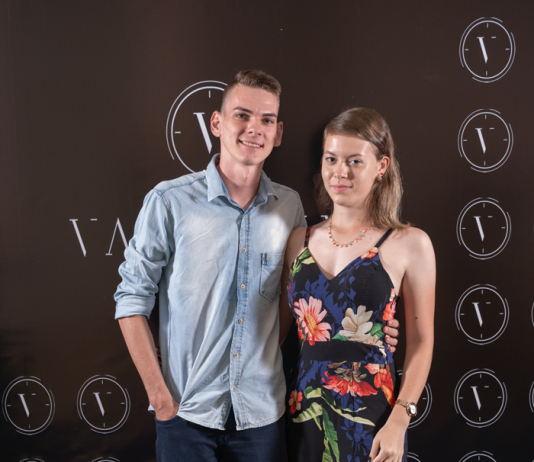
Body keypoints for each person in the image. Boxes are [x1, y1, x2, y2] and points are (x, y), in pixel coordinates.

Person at [114, 71, 399, 462]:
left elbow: (302, 298)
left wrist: (371, 329)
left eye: (266, 119)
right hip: (187, 415)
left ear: (277, 133)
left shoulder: (290, 207)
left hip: (263, 418)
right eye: (242, 115)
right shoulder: (169, 202)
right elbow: (131, 300)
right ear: (217, 123)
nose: (254, 128)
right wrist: (160, 399)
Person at [280, 108, 435, 462]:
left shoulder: (410, 244)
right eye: (331, 158)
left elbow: (422, 343)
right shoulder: (297, 241)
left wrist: (400, 420)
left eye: (355, 161)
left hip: (373, 420)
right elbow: (275, 334)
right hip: (303, 412)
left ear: (381, 166)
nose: (340, 171)